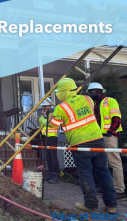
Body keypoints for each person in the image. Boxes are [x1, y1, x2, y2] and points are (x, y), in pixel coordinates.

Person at [41, 78, 117, 213]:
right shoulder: (87, 99)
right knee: (103, 171)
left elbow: (53, 125)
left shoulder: (61, 107)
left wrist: (43, 119)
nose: (58, 94)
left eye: (59, 92)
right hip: (98, 139)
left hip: (80, 143)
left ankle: (91, 205)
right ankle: (111, 205)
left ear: (64, 92)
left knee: (85, 174)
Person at [87, 82, 126, 201]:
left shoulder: (110, 101)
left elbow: (116, 117)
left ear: (98, 91)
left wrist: (111, 130)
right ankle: (105, 187)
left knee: (114, 162)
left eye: (91, 92)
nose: (90, 94)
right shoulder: (94, 104)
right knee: (102, 163)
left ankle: (120, 190)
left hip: (109, 136)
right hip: (98, 136)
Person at [38, 98, 60, 184]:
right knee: (47, 156)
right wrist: (44, 119)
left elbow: (49, 123)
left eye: (45, 106)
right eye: (43, 106)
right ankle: (50, 173)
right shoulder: (44, 114)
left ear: (50, 106)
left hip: (52, 137)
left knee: (53, 157)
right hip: (45, 136)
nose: (43, 108)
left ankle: (56, 174)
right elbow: (40, 121)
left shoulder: (54, 114)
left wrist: (44, 119)